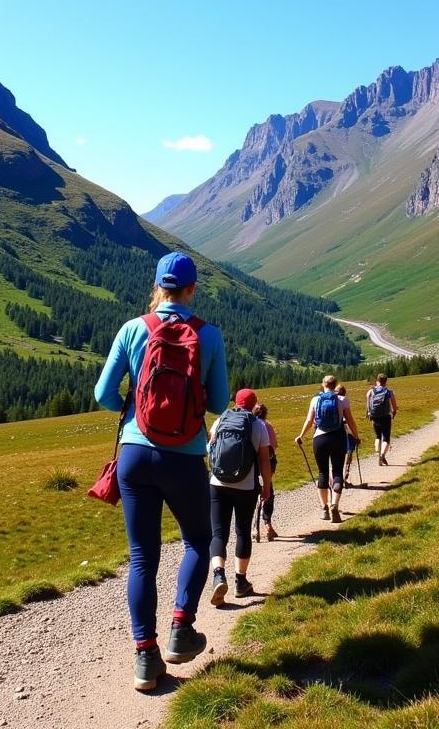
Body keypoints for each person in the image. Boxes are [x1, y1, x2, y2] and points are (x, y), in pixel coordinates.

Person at [94, 251, 230, 693]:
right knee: (197, 539)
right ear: (192, 289)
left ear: (157, 287)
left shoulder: (133, 329)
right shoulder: (208, 336)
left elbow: (102, 393)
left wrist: (133, 410)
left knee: (141, 556)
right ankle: (180, 628)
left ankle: (145, 658)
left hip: (135, 454)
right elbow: (217, 404)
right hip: (184, 456)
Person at [207, 389, 272, 604]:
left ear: (235, 401)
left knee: (218, 533)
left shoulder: (220, 420)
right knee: (242, 531)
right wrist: (267, 485)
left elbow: (210, 448)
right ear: (254, 404)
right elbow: (264, 459)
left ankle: (218, 575)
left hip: (217, 484)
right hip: (245, 486)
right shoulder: (258, 425)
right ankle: (240, 582)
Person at [295, 374, 359, 523]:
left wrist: (301, 436)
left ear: (323, 384)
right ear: (335, 384)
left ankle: (324, 508)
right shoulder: (342, 400)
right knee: (337, 472)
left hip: (319, 439)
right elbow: (350, 421)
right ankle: (335, 505)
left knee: (322, 472)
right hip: (338, 438)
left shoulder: (315, 400)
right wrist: (356, 436)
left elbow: (310, 421)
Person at [253, 402, 279, 540]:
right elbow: (274, 446)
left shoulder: (251, 425)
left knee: (254, 493)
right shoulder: (267, 426)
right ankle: (267, 525)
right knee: (268, 491)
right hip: (268, 463)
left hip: (252, 465)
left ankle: (255, 528)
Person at [366, 373, 398, 466]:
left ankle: (378, 453)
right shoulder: (389, 392)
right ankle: (382, 455)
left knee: (377, 436)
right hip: (386, 417)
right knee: (386, 438)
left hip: (374, 416)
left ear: (377, 381)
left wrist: (369, 413)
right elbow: (394, 407)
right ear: (386, 381)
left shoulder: (370, 392)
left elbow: (368, 403)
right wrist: (394, 413)